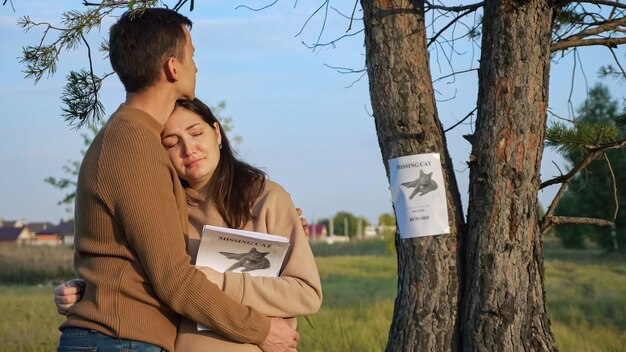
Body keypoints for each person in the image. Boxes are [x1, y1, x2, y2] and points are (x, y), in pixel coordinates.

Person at [57, 8, 298, 352]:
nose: (196, 67)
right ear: (173, 67)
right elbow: (174, 280)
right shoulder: (134, 147)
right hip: (120, 341)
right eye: (192, 56)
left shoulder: (139, 139)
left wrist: (274, 221)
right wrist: (260, 330)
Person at [56, 98, 323, 351]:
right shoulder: (162, 209)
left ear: (217, 134)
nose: (188, 149)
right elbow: (147, 278)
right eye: (171, 143)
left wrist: (220, 282)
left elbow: (306, 293)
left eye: (196, 133)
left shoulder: (267, 198)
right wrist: (85, 288)